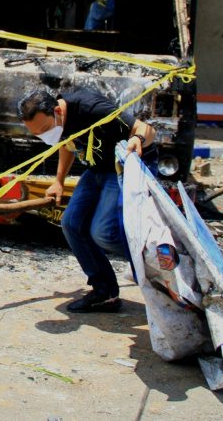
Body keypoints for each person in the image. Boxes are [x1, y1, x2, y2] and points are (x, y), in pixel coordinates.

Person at [19, 88, 155, 312]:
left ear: (57, 111)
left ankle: (155, 264)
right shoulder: (59, 121)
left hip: (124, 168)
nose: (44, 136)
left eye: (45, 129)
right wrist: (59, 181)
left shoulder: (92, 108)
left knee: (103, 233)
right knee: (71, 224)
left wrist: (138, 139)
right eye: (37, 134)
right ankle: (104, 293)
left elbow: (146, 129)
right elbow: (67, 144)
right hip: (97, 169)